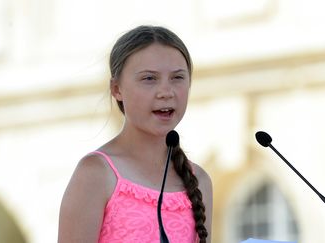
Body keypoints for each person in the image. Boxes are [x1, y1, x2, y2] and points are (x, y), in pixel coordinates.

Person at [58, 25, 213, 243]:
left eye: (177, 78)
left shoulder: (200, 181)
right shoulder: (95, 174)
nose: (166, 92)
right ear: (117, 89)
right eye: (149, 78)